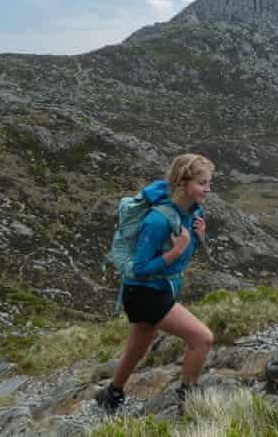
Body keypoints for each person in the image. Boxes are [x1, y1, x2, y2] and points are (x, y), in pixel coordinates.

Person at [96, 153, 215, 415]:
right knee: (202, 338)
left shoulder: (192, 213)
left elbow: (179, 259)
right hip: (142, 293)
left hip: (158, 290)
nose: (208, 189)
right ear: (183, 182)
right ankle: (189, 397)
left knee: (138, 347)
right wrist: (175, 251)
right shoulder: (157, 220)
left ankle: (111, 394)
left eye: (209, 183)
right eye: (202, 183)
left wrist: (199, 239)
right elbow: (139, 269)